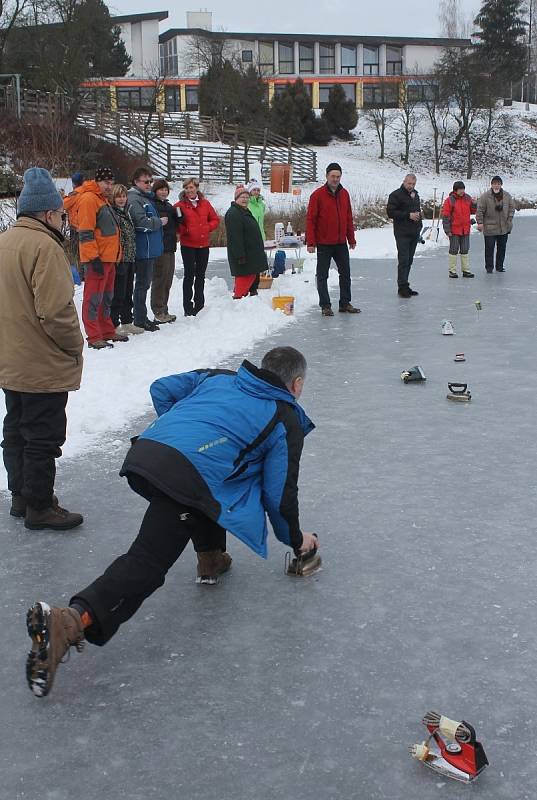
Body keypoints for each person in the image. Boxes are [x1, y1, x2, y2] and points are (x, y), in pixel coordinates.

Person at [24, 346, 319, 698]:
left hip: (149, 454)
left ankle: (211, 558)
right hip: (182, 475)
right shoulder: (283, 417)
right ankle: (70, 621)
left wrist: (181, 433)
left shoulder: (220, 378)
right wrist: (297, 540)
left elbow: (161, 388)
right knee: (148, 560)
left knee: (214, 486)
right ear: (297, 384)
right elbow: (279, 496)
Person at [0, 167, 84, 531]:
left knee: (16, 429)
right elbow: (55, 311)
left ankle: (20, 496)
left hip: (10, 359)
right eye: (62, 213)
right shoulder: (45, 247)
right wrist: (74, 345)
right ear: (48, 213)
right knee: (43, 436)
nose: (64, 220)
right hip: (41, 362)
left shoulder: (4, 241)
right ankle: (39, 506)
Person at [77, 166, 127, 348]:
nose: (109, 186)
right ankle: (93, 335)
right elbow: (86, 231)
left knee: (107, 297)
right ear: (97, 181)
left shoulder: (103, 200)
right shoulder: (89, 199)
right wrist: (93, 258)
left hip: (109, 259)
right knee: (94, 298)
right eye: (106, 182)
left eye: (111, 183)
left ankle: (106, 330)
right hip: (97, 259)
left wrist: (117, 257)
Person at [306, 162, 360, 316]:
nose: (335, 179)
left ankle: (345, 303)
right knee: (322, 275)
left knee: (346, 273)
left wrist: (351, 238)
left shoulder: (344, 194)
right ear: (327, 176)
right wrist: (311, 242)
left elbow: (348, 217)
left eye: (338, 176)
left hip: (341, 242)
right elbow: (311, 219)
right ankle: (325, 305)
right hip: (323, 242)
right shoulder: (317, 195)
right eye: (333, 176)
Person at [174, 177, 219, 316]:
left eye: (191, 187)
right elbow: (177, 226)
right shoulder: (178, 206)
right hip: (188, 245)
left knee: (200, 275)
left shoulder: (205, 203)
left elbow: (215, 219)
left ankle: (199, 304)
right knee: (189, 276)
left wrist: (207, 228)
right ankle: (188, 307)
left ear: (197, 188)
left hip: (203, 245)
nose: (189, 190)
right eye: (186, 188)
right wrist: (185, 230)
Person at [128, 167, 164, 332]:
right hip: (143, 250)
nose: (149, 184)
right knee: (142, 285)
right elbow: (141, 223)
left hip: (149, 249)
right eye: (146, 181)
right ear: (136, 182)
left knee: (144, 284)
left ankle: (142, 317)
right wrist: (159, 222)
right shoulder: (135, 199)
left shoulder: (145, 198)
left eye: (151, 181)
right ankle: (140, 319)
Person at [225, 185, 267, 298]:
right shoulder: (234, 213)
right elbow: (235, 237)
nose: (245, 199)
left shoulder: (243, 210)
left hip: (251, 254)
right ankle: (238, 301)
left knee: (250, 278)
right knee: (244, 280)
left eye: (247, 197)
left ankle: (245, 301)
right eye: (242, 197)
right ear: (236, 198)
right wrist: (240, 255)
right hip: (244, 255)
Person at [386, 173, 423, 298]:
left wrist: (420, 224)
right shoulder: (396, 195)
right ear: (404, 182)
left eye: (413, 184)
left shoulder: (415, 195)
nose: (411, 186)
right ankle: (401, 287)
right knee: (403, 260)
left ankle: (405, 284)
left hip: (414, 232)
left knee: (409, 260)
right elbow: (390, 212)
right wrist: (408, 215)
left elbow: (417, 210)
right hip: (402, 233)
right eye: (409, 183)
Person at [150, 178, 181, 323]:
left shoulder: (169, 206)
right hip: (159, 247)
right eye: (161, 189)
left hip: (170, 247)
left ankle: (164, 308)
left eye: (165, 189)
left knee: (167, 279)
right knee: (160, 279)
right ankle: (157, 310)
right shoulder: (152, 205)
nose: (163, 192)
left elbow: (179, 221)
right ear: (155, 191)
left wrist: (179, 212)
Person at [110, 184, 138, 335]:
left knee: (128, 292)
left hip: (130, 257)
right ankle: (114, 324)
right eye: (118, 196)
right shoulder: (113, 214)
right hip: (119, 258)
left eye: (123, 196)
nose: (121, 199)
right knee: (118, 293)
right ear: (113, 198)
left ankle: (127, 321)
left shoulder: (127, 212)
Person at [476, 176, 516, 273]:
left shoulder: (507, 196)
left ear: (501, 184)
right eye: (495, 183)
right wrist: (480, 222)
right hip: (490, 227)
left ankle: (499, 266)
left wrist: (509, 219)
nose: (496, 185)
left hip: (503, 227)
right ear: (492, 184)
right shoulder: (485, 196)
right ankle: (489, 267)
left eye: (498, 184)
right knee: (489, 249)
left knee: (502, 248)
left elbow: (512, 207)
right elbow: (480, 210)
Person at [441, 181, 476, 278]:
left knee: (465, 249)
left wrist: (474, 204)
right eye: (460, 189)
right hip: (454, 229)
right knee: (454, 249)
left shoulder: (468, 198)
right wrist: (447, 230)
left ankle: (466, 270)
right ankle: (452, 271)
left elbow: (473, 210)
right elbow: (446, 216)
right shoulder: (450, 200)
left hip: (465, 229)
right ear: (455, 190)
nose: (462, 191)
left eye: (463, 189)